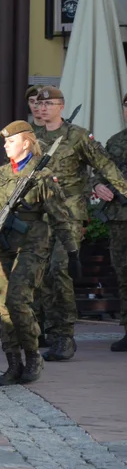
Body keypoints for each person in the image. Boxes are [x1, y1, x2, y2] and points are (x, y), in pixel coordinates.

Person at [0, 121, 77, 385]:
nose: (5, 144)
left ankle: (32, 356)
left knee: (18, 302)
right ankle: (13, 363)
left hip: (31, 245)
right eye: (5, 141)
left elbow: (60, 218)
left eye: (11, 140)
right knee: (4, 308)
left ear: (27, 142)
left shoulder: (42, 177)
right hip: (0, 246)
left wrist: (72, 252)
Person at [32, 86, 127, 361]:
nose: (42, 108)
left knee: (59, 269)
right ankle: (49, 330)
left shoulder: (78, 136)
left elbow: (105, 166)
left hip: (69, 214)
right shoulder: (32, 138)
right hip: (39, 215)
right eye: (38, 104)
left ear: (61, 106)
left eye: (48, 103)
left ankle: (64, 336)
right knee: (43, 273)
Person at [102, 93, 127, 352]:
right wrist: (98, 185)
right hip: (119, 219)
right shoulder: (115, 142)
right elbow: (97, 172)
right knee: (123, 275)